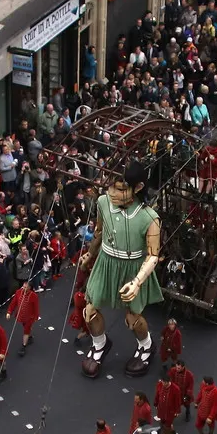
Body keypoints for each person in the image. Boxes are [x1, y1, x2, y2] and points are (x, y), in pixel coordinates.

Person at [79, 161, 163, 378]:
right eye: (111, 187)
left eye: (121, 189)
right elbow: (99, 231)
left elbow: (153, 255)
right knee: (89, 311)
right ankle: (100, 344)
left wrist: (137, 282)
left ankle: (146, 345)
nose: (113, 194)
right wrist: (90, 253)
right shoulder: (103, 203)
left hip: (133, 267)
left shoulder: (149, 218)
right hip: (106, 262)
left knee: (133, 318)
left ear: (138, 187)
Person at [6, 280, 40, 357]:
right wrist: (9, 312)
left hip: (29, 317)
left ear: (30, 288)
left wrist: (36, 316)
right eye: (23, 286)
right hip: (21, 315)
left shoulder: (34, 296)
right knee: (25, 327)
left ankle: (24, 346)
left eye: (26, 287)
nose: (24, 288)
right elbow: (13, 303)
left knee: (26, 330)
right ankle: (30, 337)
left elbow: (36, 307)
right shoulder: (18, 292)